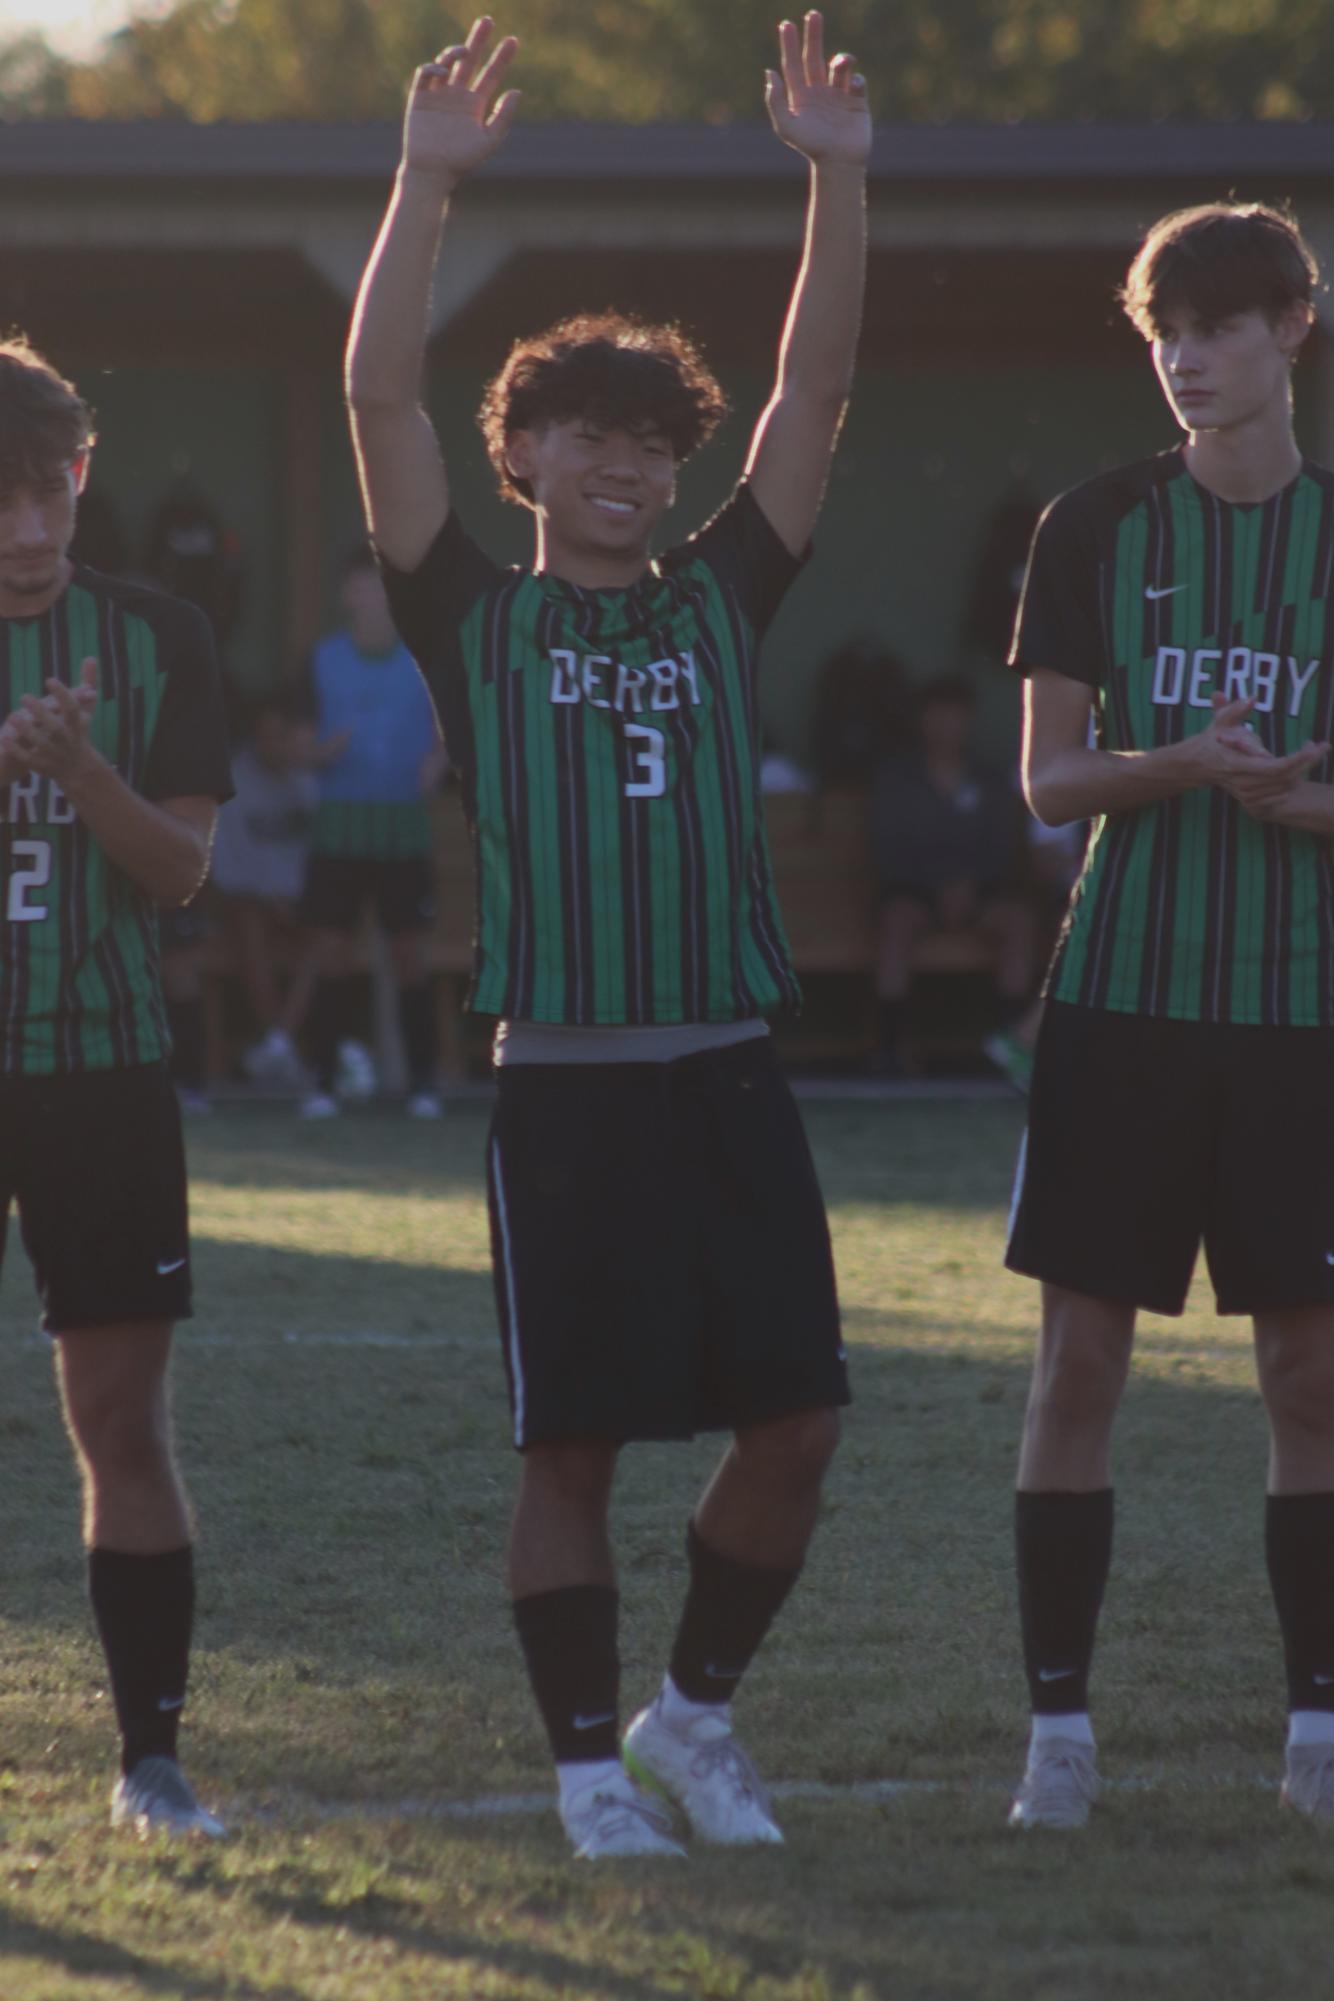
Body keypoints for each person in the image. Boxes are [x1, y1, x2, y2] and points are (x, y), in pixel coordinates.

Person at [346, 11, 867, 1858]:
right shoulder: (468, 621)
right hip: (562, 1093)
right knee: (564, 1452)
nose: (627, 465)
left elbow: (806, 403)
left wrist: (835, 176)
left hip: (728, 1072)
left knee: (797, 1424)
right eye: (587, 435)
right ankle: (580, 1768)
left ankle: (686, 1720)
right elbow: (379, 402)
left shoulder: (723, 597)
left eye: (652, 440)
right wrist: (422, 183)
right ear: (528, 458)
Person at [1004, 201, 1334, 1828]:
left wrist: (1301, 811)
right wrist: (1183, 768)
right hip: (1117, 1004)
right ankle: (1055, 1737)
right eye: (1162, 335)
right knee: (1075, 1367)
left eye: (1215, 328)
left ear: (1290, 327)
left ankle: (1317, 1735)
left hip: (1300, 1016)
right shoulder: (1089, 523)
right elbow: (1048, 780)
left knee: (1305, 1380)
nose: (1185, 361)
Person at [0, 335, 232, 1835]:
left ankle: (151, 1760)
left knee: (122, 1427)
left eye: (47, 490)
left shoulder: (157, 636)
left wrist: (80, 776)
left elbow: (184, 870)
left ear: (82, 477)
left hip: (103, 1078)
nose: (27, 529)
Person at [297, 544, 447, 1118]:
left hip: (403, 829)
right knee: (331, 954)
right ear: (347, 594)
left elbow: (449, 732)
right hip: (339, 829)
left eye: (381, 585)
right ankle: (322, 1083)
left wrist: (437, 762)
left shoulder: (424, 658)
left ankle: (424, 1086)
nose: (372, 596)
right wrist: (315, 751)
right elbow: (292, 744)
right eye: (362, 584)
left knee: (411, 957)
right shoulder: (320, 660)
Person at [869, 672, 1036, 1076]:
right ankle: (892, 1046)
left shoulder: (989, 778)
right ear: (921, 720)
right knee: (895, 923)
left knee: (1019, 922)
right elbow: (886, 847)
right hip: (914, 892)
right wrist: (937, 884)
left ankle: (1008, 1043)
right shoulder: (897, 779)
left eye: (955, 716)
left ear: (969, 720)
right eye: (937, 715)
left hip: (980, 892)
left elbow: (1003, 844)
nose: (946, 725)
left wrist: (969, 884)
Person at [209, 695, 319, 1086]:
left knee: (325, 934)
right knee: (250, 924)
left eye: (281, 737)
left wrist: (295, 901)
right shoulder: (234, 781)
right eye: (266, 737)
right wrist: (271, 898)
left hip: (300, 903)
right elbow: (227, 864)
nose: (274, 745)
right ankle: (280, 1048)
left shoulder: (311, 780)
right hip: (251, 902)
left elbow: (323, 860)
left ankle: (276, 1046)